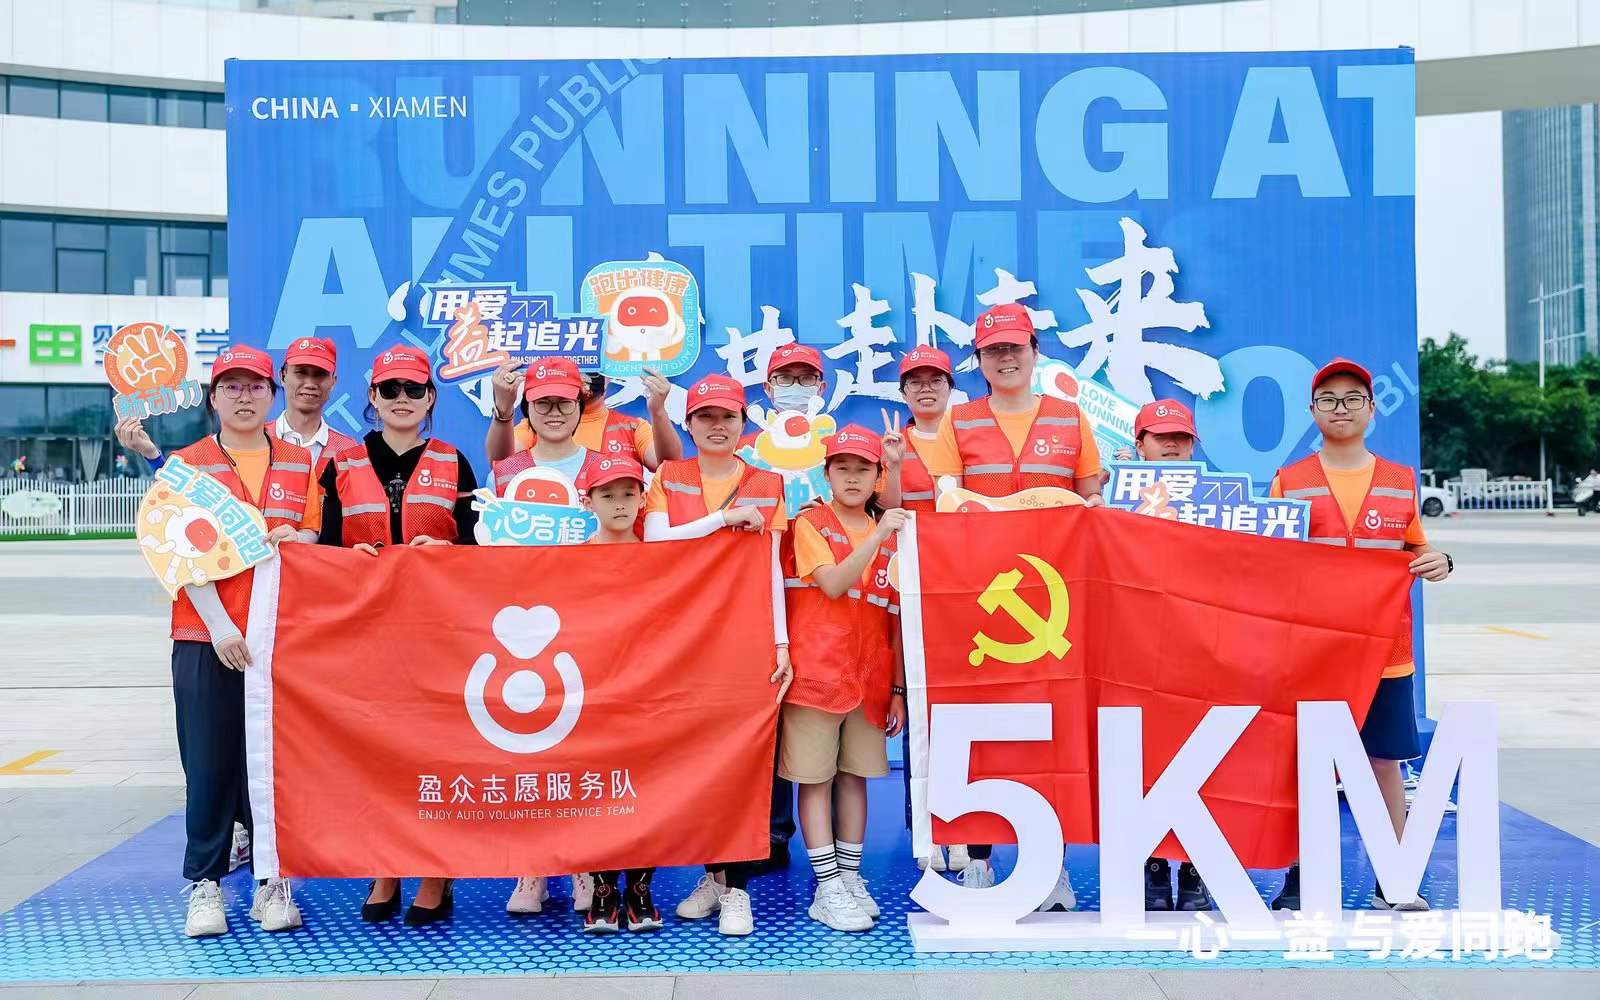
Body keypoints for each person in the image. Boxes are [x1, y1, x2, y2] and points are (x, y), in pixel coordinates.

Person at [914, 303, 1103, 909]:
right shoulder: (960, 420)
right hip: (984, 605)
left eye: (1015, 347)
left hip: (1058, 605)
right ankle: (978, 861)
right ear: (979, 360)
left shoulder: (1070, 418)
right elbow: (947, 502)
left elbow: (1093, 505)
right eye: (994, 350)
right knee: (981, 731)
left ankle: (1053, 866)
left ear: (1035, 351)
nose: (1006, 358)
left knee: (1056, 732)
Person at [1268, 358, 1453, 912]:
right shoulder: (1289, 480)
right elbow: (1269, 560)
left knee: (1383, 762)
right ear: (1312, 411)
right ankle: (1301, 876)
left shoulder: (1400, 481)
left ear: (1372, 410)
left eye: (1353, 399)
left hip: (1385, 653)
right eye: (1328, 400)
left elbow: (1417, 548)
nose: (1341, 409)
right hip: (1313, 651)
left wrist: (1441, 560)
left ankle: (1393, 879)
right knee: (1308, 765)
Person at [152, 344, 320, 938]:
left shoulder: (298, 462)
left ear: (272, 394)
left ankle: (271, 881)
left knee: (270, 765)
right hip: (206, 634)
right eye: (231, 386)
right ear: (213, 397)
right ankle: (206, 886)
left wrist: (299, 537)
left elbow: (312, 532)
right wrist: (220, 625)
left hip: (276, 636)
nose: (244, 397)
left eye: (254, 386)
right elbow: (176, 549)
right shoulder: (187, 464)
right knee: (208, 761)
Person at [317, 344, 480, 926]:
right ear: (373, 397)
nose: (402, 399)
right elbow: (323, 546)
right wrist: (348, 559)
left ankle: (436, 871)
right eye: (391, 390)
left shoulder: (455, 461)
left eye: (414, 389)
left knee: (436, 749)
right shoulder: (340, 463)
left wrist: (448, 551)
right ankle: (385, 865)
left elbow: (479, 547)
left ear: (431, 398)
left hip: (438, 631)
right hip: (366, 631)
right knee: (377, 751)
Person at [642, 373, 793, 936]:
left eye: (728, 416)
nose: (717, 426)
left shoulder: (767, 482)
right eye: (705, 416)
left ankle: (737, 890)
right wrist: (722, 520)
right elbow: (656, 543)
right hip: (679, 639)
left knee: (741, 763)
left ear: (744, 423)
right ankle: (711, 873)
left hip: (743, 637)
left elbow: (771, 567)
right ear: (689, 424)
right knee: (696, 761)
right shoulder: (668, 476)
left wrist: (782, 641)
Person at [781, 425, 908, 932]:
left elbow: (895, 620)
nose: (852, 477)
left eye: (863, 469)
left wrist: (897, 689)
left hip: (870, 678)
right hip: (817, 673)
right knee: (815, 780)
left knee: (855, 777)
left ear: (877, 477)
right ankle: (827, 886)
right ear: (827, 474)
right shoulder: (811, 523)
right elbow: (832, 584)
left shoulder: (893, 535)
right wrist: (876, 535)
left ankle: (851, 877)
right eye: (842, 468)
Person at [1104, 398, 1216, 913]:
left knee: (1202, 756)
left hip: (1200, 648)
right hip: (1135, 647)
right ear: (1139, 445)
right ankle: (1149, 863)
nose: (1171, 445)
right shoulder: (1112, 501)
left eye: (1181, 438)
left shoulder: (1222, 499)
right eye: (1160, 437)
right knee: (1141, 757)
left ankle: (1195, 867)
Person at [878, 344, 967, 874]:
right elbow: (887, 516)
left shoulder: (970, 437)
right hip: (914, 595)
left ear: (951, 387)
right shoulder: (895, 443)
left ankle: (967, 830)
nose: (926, 388)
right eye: (915, 381)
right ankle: (929, 833)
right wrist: (892, 466)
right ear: (904, 392)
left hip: (972, 596)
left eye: (935, 380)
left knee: (966, 712)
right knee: (922, 715)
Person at [572, 454, 664, 934]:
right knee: (599, 790)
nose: (620, 503)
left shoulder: (663, 558)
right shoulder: (568, 560)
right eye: (607, 495)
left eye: (629, 493)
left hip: (648, 694)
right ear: (587, 502)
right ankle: (604, 891)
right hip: (591, 696)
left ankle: (641, 891)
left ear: (644, 498)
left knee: (647, 790)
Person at [484, 362, 680, 470]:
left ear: (610, 376)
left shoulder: (633, 428)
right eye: (579, 366)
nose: (587, 375)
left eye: (596, 366)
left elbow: (669, 466)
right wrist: (503, 407)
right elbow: (500, 464)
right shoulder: (537, 425)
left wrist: (658, 410)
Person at [270, 337, 357, 482]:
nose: (310, 384)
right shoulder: (256, 439)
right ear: (282, 377)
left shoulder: (347, 450)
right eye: (301, 372)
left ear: (333, 382)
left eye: (320, 374)